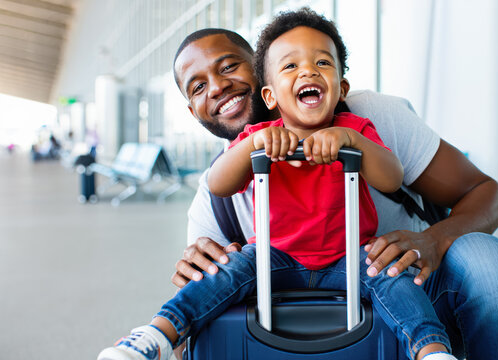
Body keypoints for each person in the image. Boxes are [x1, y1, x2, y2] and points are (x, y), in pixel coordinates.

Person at [171, 10, 498, 360]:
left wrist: (433, 241)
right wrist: (192, 280)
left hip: (406, 291)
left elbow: (491, 197)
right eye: (198, 86)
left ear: (259, 65)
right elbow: (197, 320)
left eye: (230, 66)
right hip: (297, 328)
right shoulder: (216, 188)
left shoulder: (368, 119)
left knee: (488, 261)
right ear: (192, 109)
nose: (217, 87)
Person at [98, 10, 455, 360]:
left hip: (350, 254)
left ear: (341, 87)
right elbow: (219, 184)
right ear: (269, 94)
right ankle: (156, 334)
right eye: (290, 66)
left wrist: (353, 142)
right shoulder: (257, 137)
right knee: (228, 270)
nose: (308, 71)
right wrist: (255, 146)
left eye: (322, 64)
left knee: (394, 280)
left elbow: (390, 176)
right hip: (275, 255)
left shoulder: (357, 127)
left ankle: (432, 350)